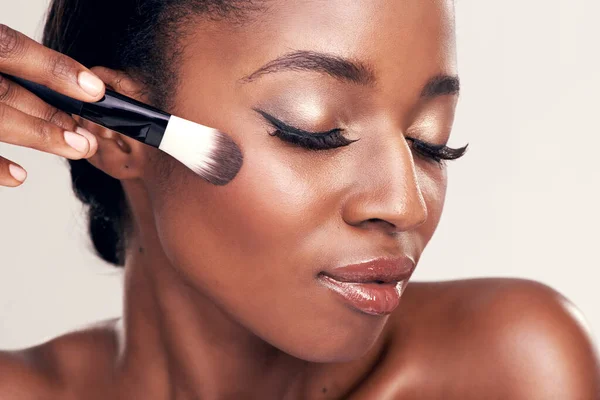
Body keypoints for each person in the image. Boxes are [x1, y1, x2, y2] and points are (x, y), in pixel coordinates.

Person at [1, 0, 599, 398]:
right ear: (114, 131)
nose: (405, 203)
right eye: (313, 130)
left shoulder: (509, 367)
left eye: (431, 141)